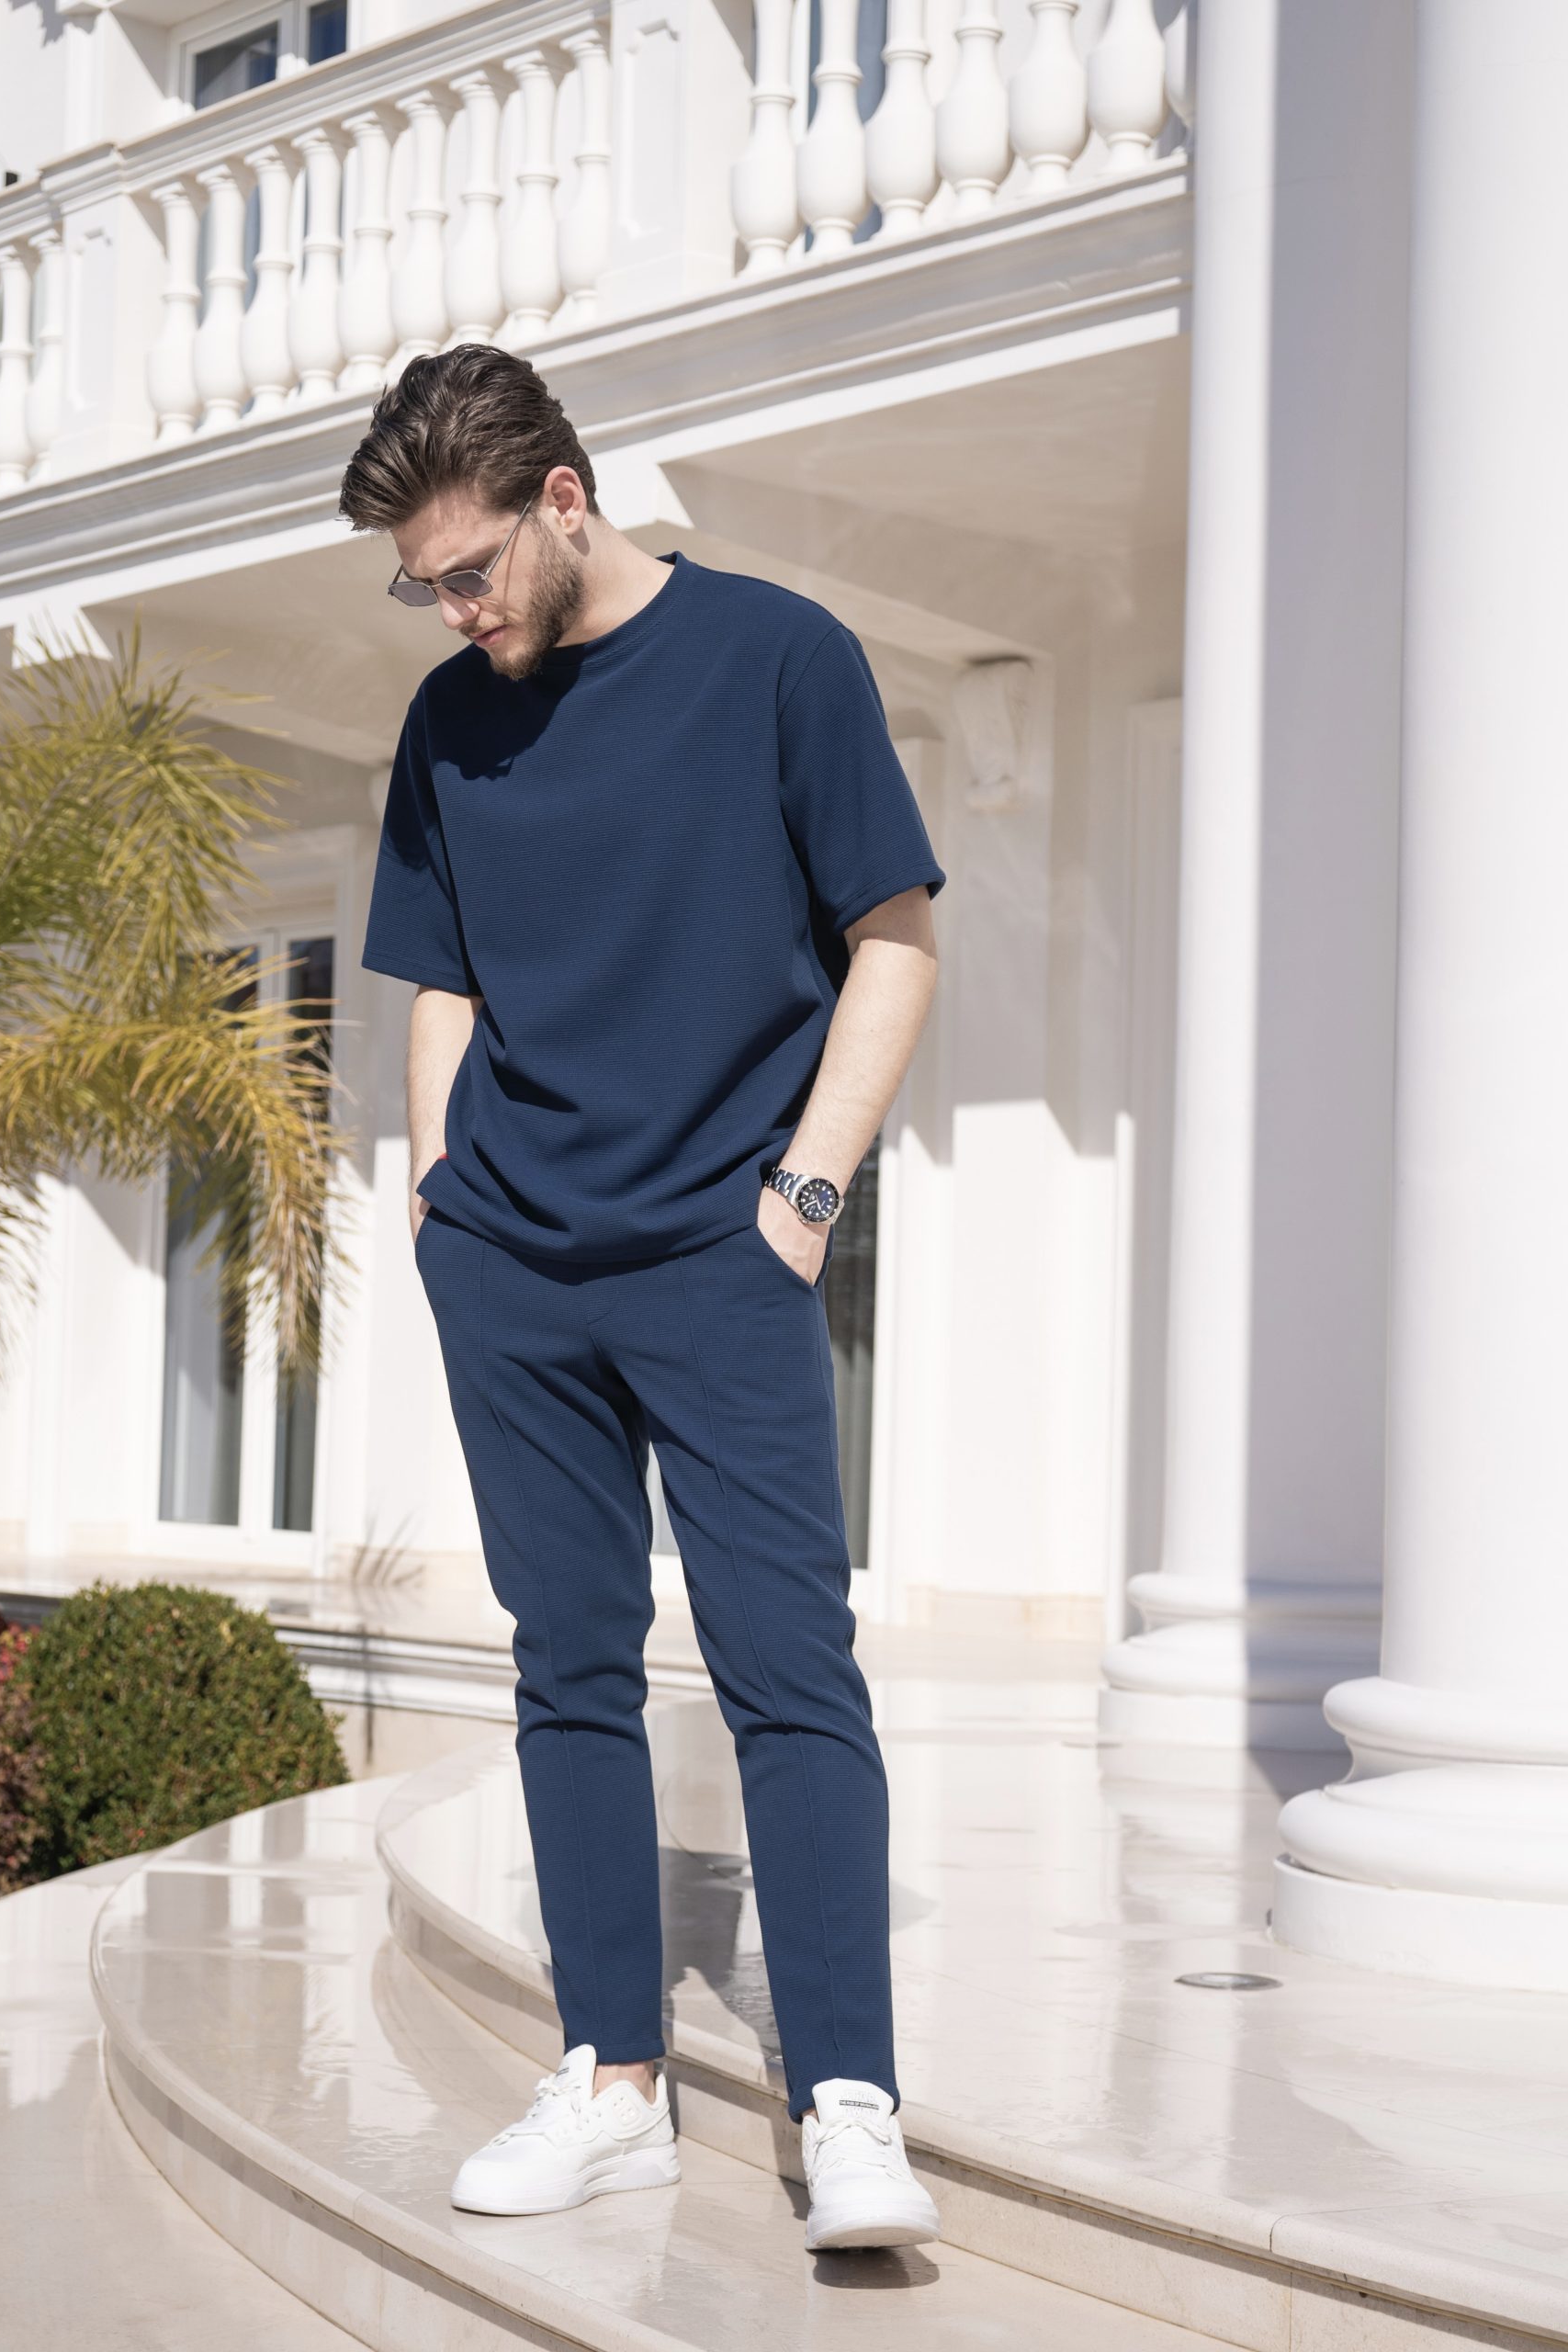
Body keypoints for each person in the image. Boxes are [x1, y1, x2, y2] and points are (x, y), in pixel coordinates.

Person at [344, 345, 944, 2255]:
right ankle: (613, 2084)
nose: (455, 608)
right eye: (424, 585)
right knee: (568, 1663)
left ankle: (847, 2100)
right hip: (510, 1265)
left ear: (565, 497)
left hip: (721, 1253)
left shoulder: (778, 658)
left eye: (469, 570)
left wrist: (804, 1199)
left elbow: (894, 937)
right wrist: (437, 1196)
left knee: (789, 1667)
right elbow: (440, 975)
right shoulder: (449, 719)